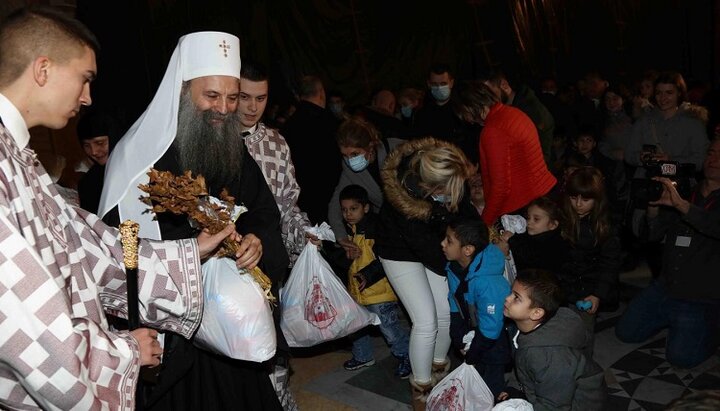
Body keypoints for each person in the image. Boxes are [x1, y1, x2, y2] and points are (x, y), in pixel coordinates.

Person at [0, 8, 235, 410]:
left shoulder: (17, 153)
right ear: (43, 69)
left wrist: (192, 250)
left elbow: (83, 242)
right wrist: (121, 352)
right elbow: (21, 321)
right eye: (84, 78)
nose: (88, 96)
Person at [98, 31, 287, 410]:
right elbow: (122, 248)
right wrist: (194, 247)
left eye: (232, 98)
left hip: (229, 323)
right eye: (212, 96)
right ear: (183, 92)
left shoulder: (231, 146)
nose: (224, 108)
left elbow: (264, 209)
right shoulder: (137, 158)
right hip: (173, 336)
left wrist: (256, 239)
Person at [375, 137, 477, 408]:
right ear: (430, 185)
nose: (455, 192)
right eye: (447, 189)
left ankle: (439, 373)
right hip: (398, 250)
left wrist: (477, 245)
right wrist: (457, 266)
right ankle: (420, 391)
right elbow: (421, 247)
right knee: (425, 320)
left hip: (439, 245)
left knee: (446, 312)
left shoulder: (452, 172)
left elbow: (467, 215)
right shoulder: (401, 195)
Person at [615, 139, 720, 369]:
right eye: (711, 153)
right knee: (625, 332)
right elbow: (651, 234)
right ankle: (675, 320)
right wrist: (653, 206)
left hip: (700, 295)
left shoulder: (684, 199)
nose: (714, 160)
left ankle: (711, 326)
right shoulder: (687, 189)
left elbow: (714, 225)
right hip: (666, 285)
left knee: (681, 358)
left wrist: (682, 206)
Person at [452, 80, 557, 226]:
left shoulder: (494, 130)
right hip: (541, 195)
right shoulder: (513, 113)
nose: (467, 120)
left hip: (522, 207)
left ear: (469, 107)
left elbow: (500, 187)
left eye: (464, 114)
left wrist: (485, 224)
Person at [239, 60, 312, 266]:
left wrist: (305, 234)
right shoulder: (211, 140)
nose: (253, 107)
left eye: (261, 98)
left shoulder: (276, 144)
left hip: (268, 256)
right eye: (245, 97)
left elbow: (288, 206)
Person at [502, 269, 606, 410]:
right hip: (547, 391)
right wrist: (514, 387)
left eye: (516, 297)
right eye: (511, 293)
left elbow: (554, 406)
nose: (507, 298)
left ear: (536, 313)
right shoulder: (526, 327)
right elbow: (523, 364)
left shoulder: (549, 356)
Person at [338, 184, 411, 378]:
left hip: (380, 293)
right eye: (344, 210)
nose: (348, 214)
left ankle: (408, 356)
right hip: (359, 292)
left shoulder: (377, 230)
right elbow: (351, 262)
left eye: (353, 209)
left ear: (366, 207)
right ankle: (363, 356)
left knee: (389, 328)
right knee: (357, 326)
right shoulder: (352, 231)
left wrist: (367, 275)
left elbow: (386, 260)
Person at [442, 218, 510, 398]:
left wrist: (473, 354)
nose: (443, 244)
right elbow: (454, 300)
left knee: (489, 390)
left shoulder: (488, 282)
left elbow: (491, 328)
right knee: (473, 389)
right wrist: (457, 334)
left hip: (493, 344)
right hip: (475, 336)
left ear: (467, 249)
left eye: (449, 241)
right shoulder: (455, 268)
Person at [559, 167, 621, 356]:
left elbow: (610, 264)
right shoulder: (560, 218)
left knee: (583, 338)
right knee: (558, 334)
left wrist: (597, 294)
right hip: (560, 287)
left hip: (587, 292)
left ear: (597, 200)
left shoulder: (604, 226)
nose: (578, 204)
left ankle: (585, 376)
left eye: (585, 200)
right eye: (573, 198)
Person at [328, 116, 403, 252]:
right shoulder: (348, 169)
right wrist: (341, 237)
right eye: (345, 155)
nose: (350, 160)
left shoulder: (397, 148)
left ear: (370, 146)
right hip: (392, 232)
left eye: (355, 153)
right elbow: (335, 203)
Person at [281, 75, 342, 225]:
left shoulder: (288, 127)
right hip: (330, 200)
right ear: (321, 93)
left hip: (300, 201)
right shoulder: (331, 123)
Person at [479, 69, 555, 163]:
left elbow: (542, 156)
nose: (488, 99)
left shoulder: (532, 111)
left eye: (490, 93)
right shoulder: (507, 110)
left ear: (504, 85)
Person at [499, 196, 569, 274]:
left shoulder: (555, 244)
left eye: (536, 219)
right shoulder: (527, 236)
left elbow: (531, 257)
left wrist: (511, 240)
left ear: (553, 225)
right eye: (528, 218)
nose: (529, 222)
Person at [76, 109, 120, 213]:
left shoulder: (141, 172)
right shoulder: (87, 183)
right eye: (87, 145)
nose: (94, 151)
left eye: (100, 143)